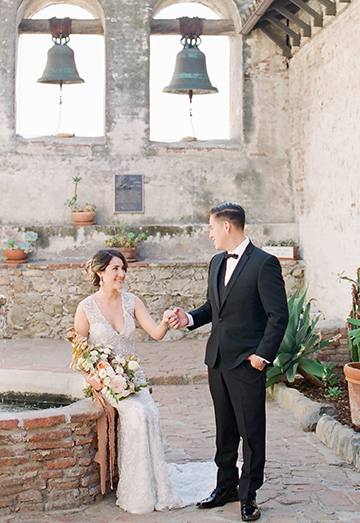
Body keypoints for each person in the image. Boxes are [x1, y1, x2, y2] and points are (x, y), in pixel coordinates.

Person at [168, 202, 289, 522]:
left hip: (248, 364)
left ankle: (249, 495)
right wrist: (189, 318)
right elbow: (213, 307)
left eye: (211, 227)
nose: (208, 234)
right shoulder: (215, 262)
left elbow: (279, 316)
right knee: (224, 430)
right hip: (217, 359)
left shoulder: (265, 264)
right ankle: (226, 486)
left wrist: (261, 358)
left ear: (227, 226)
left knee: (251, 431)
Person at [73, 248, 182, 515]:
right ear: (100, 273)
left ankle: (157, 486)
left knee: (150, 412)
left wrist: (166, 322)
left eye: (123, 269)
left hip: (132, 376)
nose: (121, 274)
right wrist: (93, 379)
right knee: (135, 414)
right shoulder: (85, 308)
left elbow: (155, 333)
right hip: (104, 379)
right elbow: (78, 354)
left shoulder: (132, 301)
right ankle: (136, 491)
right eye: (115, 269)